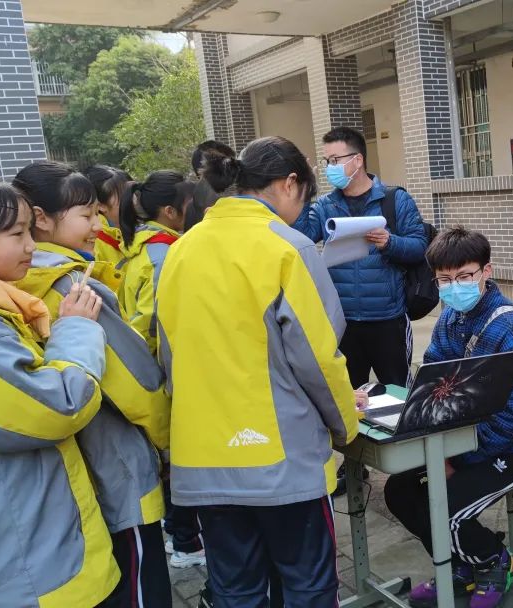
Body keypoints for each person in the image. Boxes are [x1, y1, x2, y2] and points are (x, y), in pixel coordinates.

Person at [157, 135, 359, 608]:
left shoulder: (180, 251)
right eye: (304, 196)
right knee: (308, 586)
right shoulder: (288, 247)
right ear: (289, 183)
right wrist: (345, 425)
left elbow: (168, 355)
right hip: (281, 461)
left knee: (237, 591)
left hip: (204, 462)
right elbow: (318, 358)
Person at [0, 172, 119, 606]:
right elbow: (57, 407)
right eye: (16, 234)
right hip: (20, 570)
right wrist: (76, 330)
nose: (31, 246)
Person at [12, 161, 173, 606]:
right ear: (42, 218)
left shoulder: (10, 285)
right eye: (87, 215)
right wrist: (167, 444)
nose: (98, 226)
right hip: (116, 464)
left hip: (69, 481)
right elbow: (137, 384)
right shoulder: (74, 288)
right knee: (141, 585)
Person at [383, 226, 513, 608]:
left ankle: (494, 561)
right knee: (400, 490)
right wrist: (432, 441)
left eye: (464, 276)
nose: (455, 287)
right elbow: (433, 382)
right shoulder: (451, 317)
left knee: (445, 505)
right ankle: (461, 564)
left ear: (486, 271)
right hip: (467, 439)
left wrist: (457, 459)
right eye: (444, 280)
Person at [294, 126, 427, 389]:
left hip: (388, 319)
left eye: (335, 160)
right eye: (327, 161)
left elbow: (420, 246)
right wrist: (306, 190)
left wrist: (390, 242)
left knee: (397, 392)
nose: (330, 167)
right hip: (344, 321)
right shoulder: (325, 205)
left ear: (357, 160)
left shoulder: (395, 199)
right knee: (350, 395)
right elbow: (301, 236)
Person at [117, 171, 194, 352]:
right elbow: (150, 322)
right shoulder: (163, 257)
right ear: (170, 211)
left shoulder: (142, 242)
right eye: (191, 204)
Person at [84, 164, 133, 269]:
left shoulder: (139, 227)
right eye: (125, 196)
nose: (133, 200)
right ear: (101, 206)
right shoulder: (94, 242)